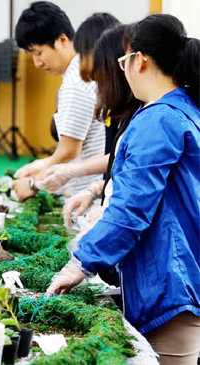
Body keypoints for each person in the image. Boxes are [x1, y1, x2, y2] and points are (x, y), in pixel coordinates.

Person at [47, 14, 200, 364]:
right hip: (179, 278)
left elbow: (131, 208)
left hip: (171, 286)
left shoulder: (159, 119)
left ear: (139, 60)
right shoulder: (180, 110)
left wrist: (80, 263)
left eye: (123, 60)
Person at [12, 1, 105, 200]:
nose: (37, 63)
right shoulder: (83, 71)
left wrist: (34, 182)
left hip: (89, 193)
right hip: (91, 185)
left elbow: (69, 152)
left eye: (38, 53)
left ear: (62, 40)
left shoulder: (76, 81)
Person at [58, 25, 142, 227]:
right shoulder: (128, 112)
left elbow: (138, 190)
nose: (98, 90)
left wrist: (108, 208)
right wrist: (97, 189)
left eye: (100, 80)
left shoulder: (146, 119)